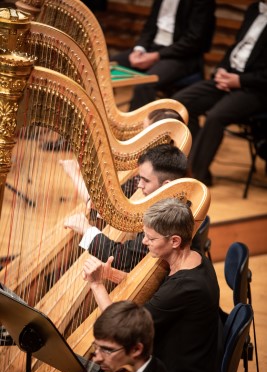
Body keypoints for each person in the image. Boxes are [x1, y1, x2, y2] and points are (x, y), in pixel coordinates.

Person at [82, 198, 221, 372]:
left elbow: (119, 329)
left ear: (174, 241)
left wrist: (96, 284)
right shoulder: (194, 258)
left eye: (151, 238)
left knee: (85, 366)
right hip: (188, 359)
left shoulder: (183, 288)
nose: (144, 242)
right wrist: (112, 275)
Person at [172, 1, 267, 186]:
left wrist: (240, 81)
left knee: (215, 117)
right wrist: (221, 69)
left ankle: (194, 179)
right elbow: (237, 46)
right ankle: (189, 165)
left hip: (257, 89)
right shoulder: (254, 9)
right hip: (231, 77)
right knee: (181, 104)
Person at [64, 144, 188, 272]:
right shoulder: (152, 193)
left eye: (145, 180)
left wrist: (87, 230)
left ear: (166, 186)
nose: (140, 185)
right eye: (139, 178)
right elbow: (110, 203)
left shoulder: (169, 219)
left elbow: (125, 258)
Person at [110, 0, 215, 110]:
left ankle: (136, 126)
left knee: (145, 85)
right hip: (151, 48)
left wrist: (156, 56)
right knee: (105, 67)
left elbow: (193, 41)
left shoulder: (202, 3)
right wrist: (139, 49)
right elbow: (149, 27)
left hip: (181, 56)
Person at [75, 300, 171, 372]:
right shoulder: (152, 364)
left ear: (136, 350)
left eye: (107, 350)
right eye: (96, 347)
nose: (96, 359)